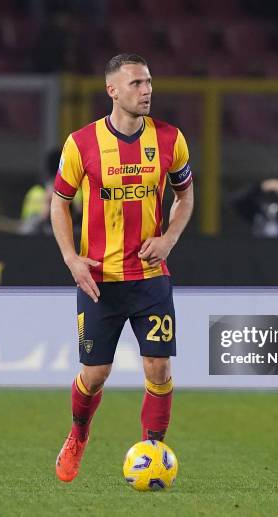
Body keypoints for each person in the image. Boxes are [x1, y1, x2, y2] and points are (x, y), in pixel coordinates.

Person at [50, 53, 194, 483]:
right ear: (112, 90)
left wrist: (168, 238)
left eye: (148, 82)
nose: (146, 90)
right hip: (100, 281)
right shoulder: (81, 143)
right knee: (94, 376)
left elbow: (185, 197)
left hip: (150, 279)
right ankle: (78, 434)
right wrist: (71, 259)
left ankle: (154, 448)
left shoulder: (170, 139)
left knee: (158, 368)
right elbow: (59, 203)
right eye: (135, 83)